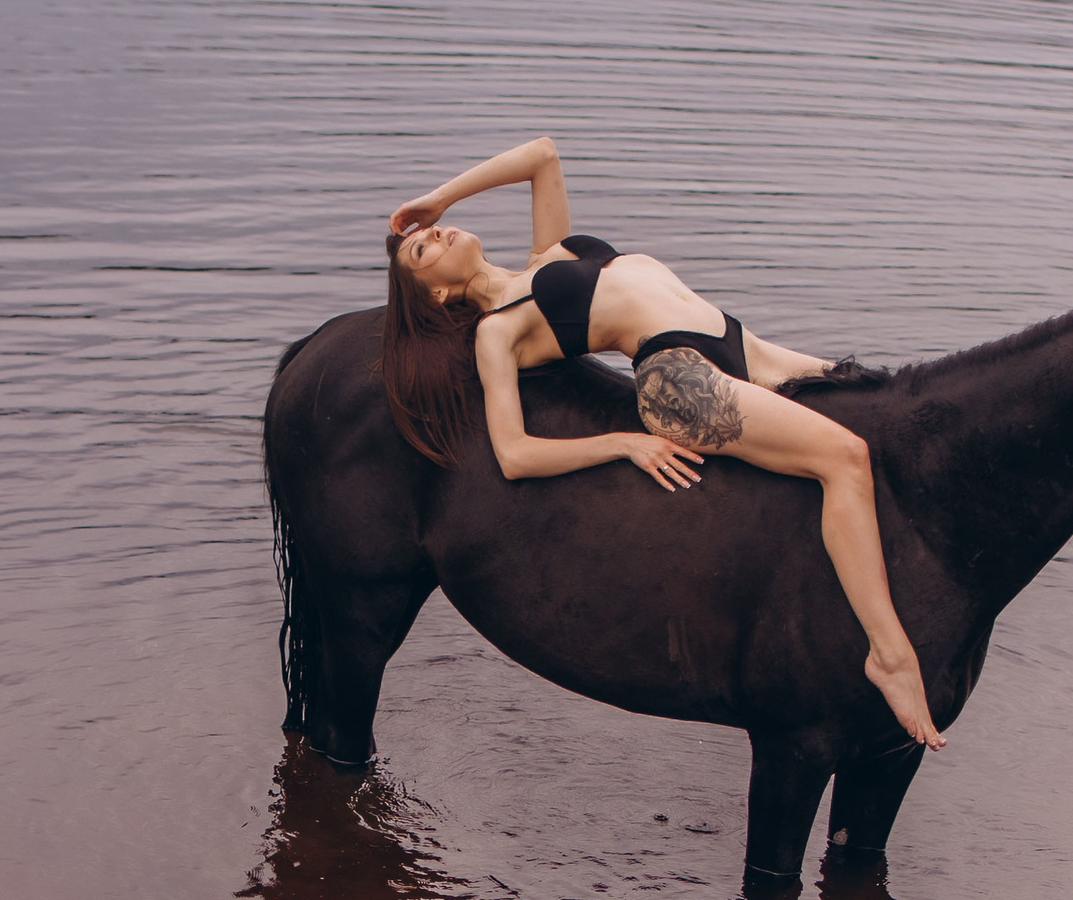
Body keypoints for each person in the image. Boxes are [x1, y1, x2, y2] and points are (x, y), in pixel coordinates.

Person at [382, 136, 943, 751]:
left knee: (893, 405)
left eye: (433, 231)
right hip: (678, 380)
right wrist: (623, 443)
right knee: (846, 460)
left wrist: (436, 198)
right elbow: (514, 454)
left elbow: (541, 154)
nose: (438, 235)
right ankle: (888, 655)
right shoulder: (499, 330)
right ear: (436, 294)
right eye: (422, 249)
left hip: (742, 348)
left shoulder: (552, 254)